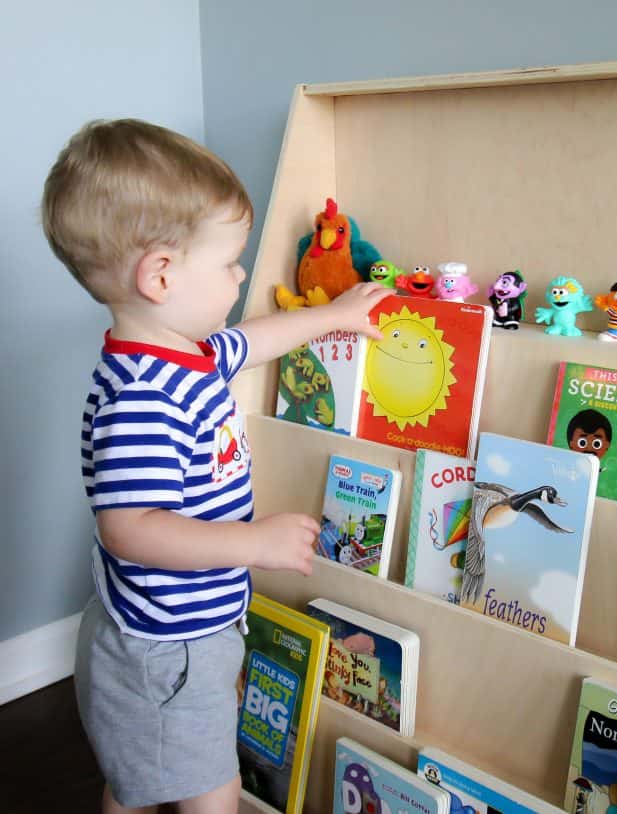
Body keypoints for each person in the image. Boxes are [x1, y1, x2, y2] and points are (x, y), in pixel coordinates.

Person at [42, 118, 390, 814]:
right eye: (232, 261)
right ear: (161, 276)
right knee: (210, 789)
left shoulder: (189, 353)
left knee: (142, 774)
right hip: (167, 651)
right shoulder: (141, 398)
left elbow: (254, 340)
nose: (241, 276)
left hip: (185, 635)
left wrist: (331, 319)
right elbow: (130, 529)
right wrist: (253, 544)